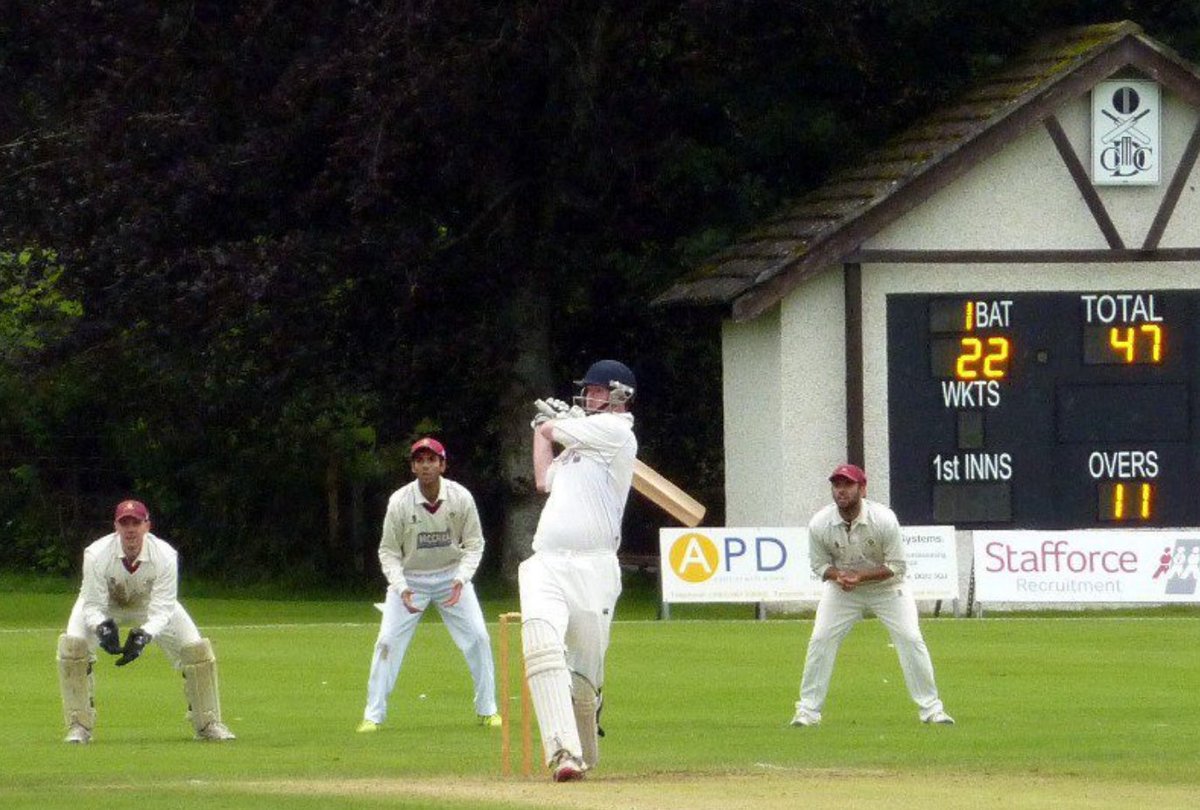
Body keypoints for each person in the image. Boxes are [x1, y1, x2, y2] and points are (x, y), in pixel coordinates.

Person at [520, 359, 638, 782]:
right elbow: (542, 479)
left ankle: (586, 741)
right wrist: (541, 428)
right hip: (546, 561)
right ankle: (562, 752)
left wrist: (553, 424)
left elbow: (558, 430)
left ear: (620, 396)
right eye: (586, 391)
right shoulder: (577, 447)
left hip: (595, 568)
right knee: (540, 643)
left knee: (585, 680)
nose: (588, 397)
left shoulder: (617, 435)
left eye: (597, 391)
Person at [56, 499, 236, 743]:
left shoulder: (165, 555)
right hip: (106, 605)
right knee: (73, 648)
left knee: (197, 652)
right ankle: (79, 726)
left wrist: (144, 635)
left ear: (147, 526)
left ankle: (208, 724)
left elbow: (163, 607)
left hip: (148, 605)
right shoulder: (96, 554)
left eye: (136, 523)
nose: (131, 529)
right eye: (125, 523)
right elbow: (91, 604)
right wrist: (101, 626)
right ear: (116, 527)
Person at [791, 463, 955, 727]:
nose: (841, 490)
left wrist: (861, 576)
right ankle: (807, 712)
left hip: (887, 589)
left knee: (911, 639)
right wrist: (839, 576)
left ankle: (932, 710)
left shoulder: (884, 520)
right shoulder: (820, 523)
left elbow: (897, 566)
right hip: (843, 591)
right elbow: (819, 565)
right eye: (837, 485)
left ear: (862, 489)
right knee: (820, 639)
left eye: (848, 485)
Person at [357, 437, 501, 731]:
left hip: (452, 577)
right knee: (386, 643)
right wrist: (401, 587)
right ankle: (373, 716)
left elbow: (474, 544)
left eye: (431, 460)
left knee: (479, 638)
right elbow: (388, 551)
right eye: (420, 461)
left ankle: (487, 709)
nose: (426, 466)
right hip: (411, 580)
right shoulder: (399, 501)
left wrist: (462, 578)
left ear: (442, 464)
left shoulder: (461, 498)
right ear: (413, 467)